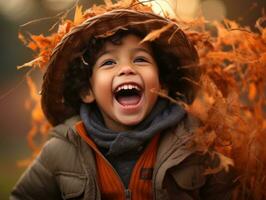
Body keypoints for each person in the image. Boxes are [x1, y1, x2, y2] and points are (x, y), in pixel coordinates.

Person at [11, 1, 235, 200]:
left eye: (140, 59)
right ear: (87, 91)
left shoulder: (194, 142)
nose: (127, 69)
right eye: (108, 63)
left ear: (163, 84)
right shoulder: (63, 149)